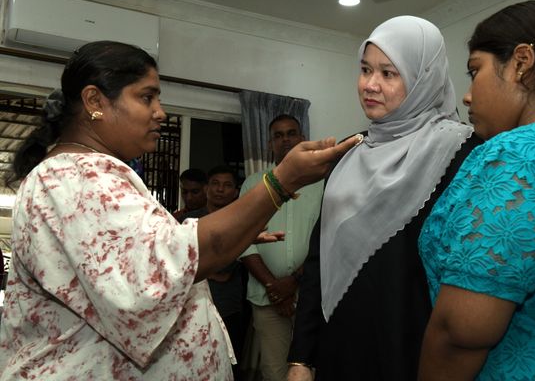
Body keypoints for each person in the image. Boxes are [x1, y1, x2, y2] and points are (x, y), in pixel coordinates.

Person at [0, 40, 359, 380]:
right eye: (147, 97)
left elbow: (150, 250)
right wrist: (282, 182)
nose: (160, 112)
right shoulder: (73, 177)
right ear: (95, 101)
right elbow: (162, 269)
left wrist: (236, 230)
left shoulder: (91, 173)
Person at [418, 0, 535, 380]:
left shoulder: (517, 156)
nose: (467, 95)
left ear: (521, 62)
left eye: (475, 71)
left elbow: (461, 331)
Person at [287, 16, 480, 381]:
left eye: (389, 73)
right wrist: (301, 358)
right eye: (365, 70)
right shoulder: (348, 154)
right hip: (339, 347)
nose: (370, 85)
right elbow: (319, 261)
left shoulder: (461, 153)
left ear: (423, 79)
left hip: (411, 351)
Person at [240, 114, 324, 381]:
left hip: (310, 296)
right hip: (267, 300)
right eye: (278, 135)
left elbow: (327, 240)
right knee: (274, 372)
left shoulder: (322, 183)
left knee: (309, 370)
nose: (285, 139)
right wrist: (273, 287)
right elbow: (243, 241)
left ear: (302, 138)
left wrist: (293, 281)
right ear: (270, 144)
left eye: (291, 133)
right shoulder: (253, 184)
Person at [181, 165, 246, 379]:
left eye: (227, 185)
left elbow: (224, 271)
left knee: (228, 365)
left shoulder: (241, 221)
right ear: (207, 188)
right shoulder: (190, 221)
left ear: (235, 192)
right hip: (192, 307)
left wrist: (197, 267)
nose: (220, 189)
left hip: (228, 306)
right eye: (215, 184)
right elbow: (179, 262)